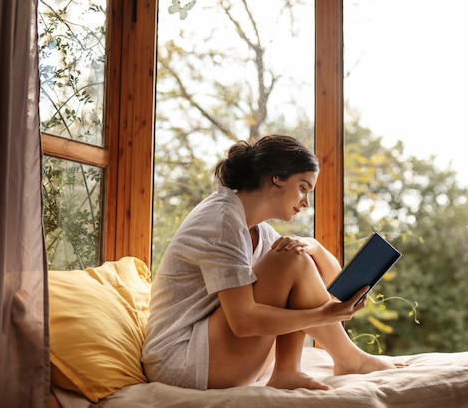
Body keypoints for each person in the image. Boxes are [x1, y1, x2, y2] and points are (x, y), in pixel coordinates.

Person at [142, 134, 396, 391]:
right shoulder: (221, 221)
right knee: (292, 259)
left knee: (296, 257)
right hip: (180, 362)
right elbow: (243, 322)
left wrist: (315, 247)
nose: (306, 203)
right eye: (303, 188)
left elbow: (329, 286)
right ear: (277, 177)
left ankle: (290, 371)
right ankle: (350, 359)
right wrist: (321, 315)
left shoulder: (258, 231)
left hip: (216, 354)